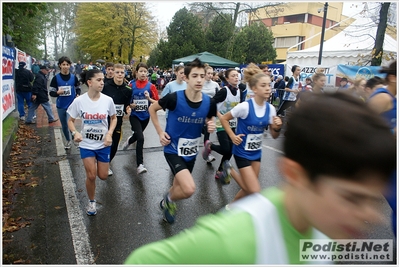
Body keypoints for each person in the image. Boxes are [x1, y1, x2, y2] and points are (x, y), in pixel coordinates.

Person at [125, 92, 396, 264]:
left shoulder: (330, 232)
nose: (373, 216)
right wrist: (229, 135)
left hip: (254, 156)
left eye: (373, 199)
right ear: (296, 176)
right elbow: (142, 260)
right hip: (239, 155)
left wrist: (276, 128)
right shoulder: (233, 243)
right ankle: (225, 184)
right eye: (352, 197)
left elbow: (276, 136)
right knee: (250, 191)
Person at [148, 58, 217, 224]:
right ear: (186, 78)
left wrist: (210, 123)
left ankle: (167, 202)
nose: (199, 79)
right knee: (188, 188)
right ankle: (169, 199)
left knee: (178, 185)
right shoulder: (174, 98)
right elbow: (152, 108)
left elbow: (210, 118)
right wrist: (159, 132)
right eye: (195, 76)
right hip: (173, 149)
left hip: (191, 152)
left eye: (202, 75)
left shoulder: (209, 102)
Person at [219, 63, 282, 202]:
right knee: (253, 190)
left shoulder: (271, 109)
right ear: (254, 89)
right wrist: (232, 135)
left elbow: (274, 135)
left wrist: (277, 127)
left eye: (269, 85)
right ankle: (230, 170)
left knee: (248, 189)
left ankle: (231, 210)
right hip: (241, 151)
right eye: (263, 85)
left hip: (256, 152)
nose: (268, 88)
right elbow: (224, 119)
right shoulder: (245, 107)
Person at [67, 69, 117, 216]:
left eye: (103, 80)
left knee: (103, 175)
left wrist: (109, 134)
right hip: (86, 144)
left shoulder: (108, 100)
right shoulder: (79, 101)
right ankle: (92, 202)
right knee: (91, 175)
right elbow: (70, 120)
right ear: (90, 82)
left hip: (103, 144)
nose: (103, 82)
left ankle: (97, 168)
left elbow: (114, 118)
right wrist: (75, 132)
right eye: (99, 80)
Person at [367, 60, 397, 235]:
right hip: (379, 161)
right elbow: (362, 124)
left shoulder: (393, 99)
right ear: (393, 77)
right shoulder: (383, 97)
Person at [202, 68, 242, 184]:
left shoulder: (239, 91)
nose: (236, 77)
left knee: (230, 151)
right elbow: (212, 102)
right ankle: (210, 146)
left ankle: (220, 171)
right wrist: (219, 115)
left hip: (232, 124)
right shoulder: (224, 91)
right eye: (233, 75)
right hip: (221, 124)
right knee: (226, 149)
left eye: (237, 75)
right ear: (228, 79)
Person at [122, 62, 160, 174]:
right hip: (134, 116)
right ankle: (140, 165)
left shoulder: (151, 86)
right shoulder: (131, 85)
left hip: (145, 116)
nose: (143, 73)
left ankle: (129, 140)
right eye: (141, 71)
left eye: (145, 71)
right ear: (136, 72)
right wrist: (130, 105)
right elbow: (126, 99)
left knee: (137, 136)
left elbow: (158, 102)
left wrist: (149, 99)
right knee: (141, 138)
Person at [101, 64, 132, 176]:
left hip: (118, 121)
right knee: (104, 142)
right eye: (117, 72)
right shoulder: (105, 86)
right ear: (113, 73)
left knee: (114, 145)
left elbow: (127, 104)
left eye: (122, 72)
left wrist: (128, 108)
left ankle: (107, 163)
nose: (119, 74)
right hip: (104, 120)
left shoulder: (128, 89)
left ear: (125, 74)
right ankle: (103, 162)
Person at [49, 56, 81, 149]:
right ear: (60, 65)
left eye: (67, 64)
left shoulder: (73, 77)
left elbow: (78, 88)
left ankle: (74, 137)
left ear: (70, 65)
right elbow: (51, 92)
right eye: (63, 64)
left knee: (69, 122)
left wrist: (78, 95)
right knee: (64, 125)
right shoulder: (56, 78)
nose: (65, 66)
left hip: (71, 105)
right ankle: (67, 140)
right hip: (61, 105)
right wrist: (57, 93)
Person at [201, 64, 220, 163]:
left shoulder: (215, 85)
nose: (210, 75)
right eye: (208, 73)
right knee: (202, 130)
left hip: (210, 111)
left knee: (207, 131)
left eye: (211, 73)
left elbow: (219, 96)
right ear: (204, 74)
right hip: (200, 110)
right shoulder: (200, 83)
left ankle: (207, 153)